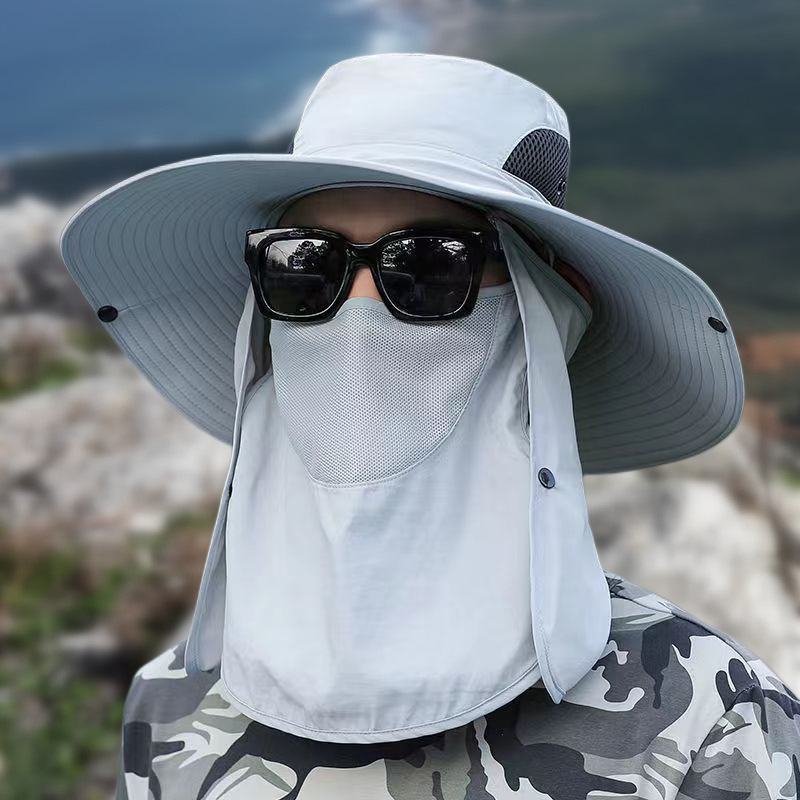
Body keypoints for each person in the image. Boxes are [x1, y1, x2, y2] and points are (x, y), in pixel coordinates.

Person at [59, 53, 799, 799]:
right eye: (306, 266)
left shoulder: (706, 718)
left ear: (547, 308)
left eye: (428, 265)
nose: (358, 313)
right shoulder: (170, 709)